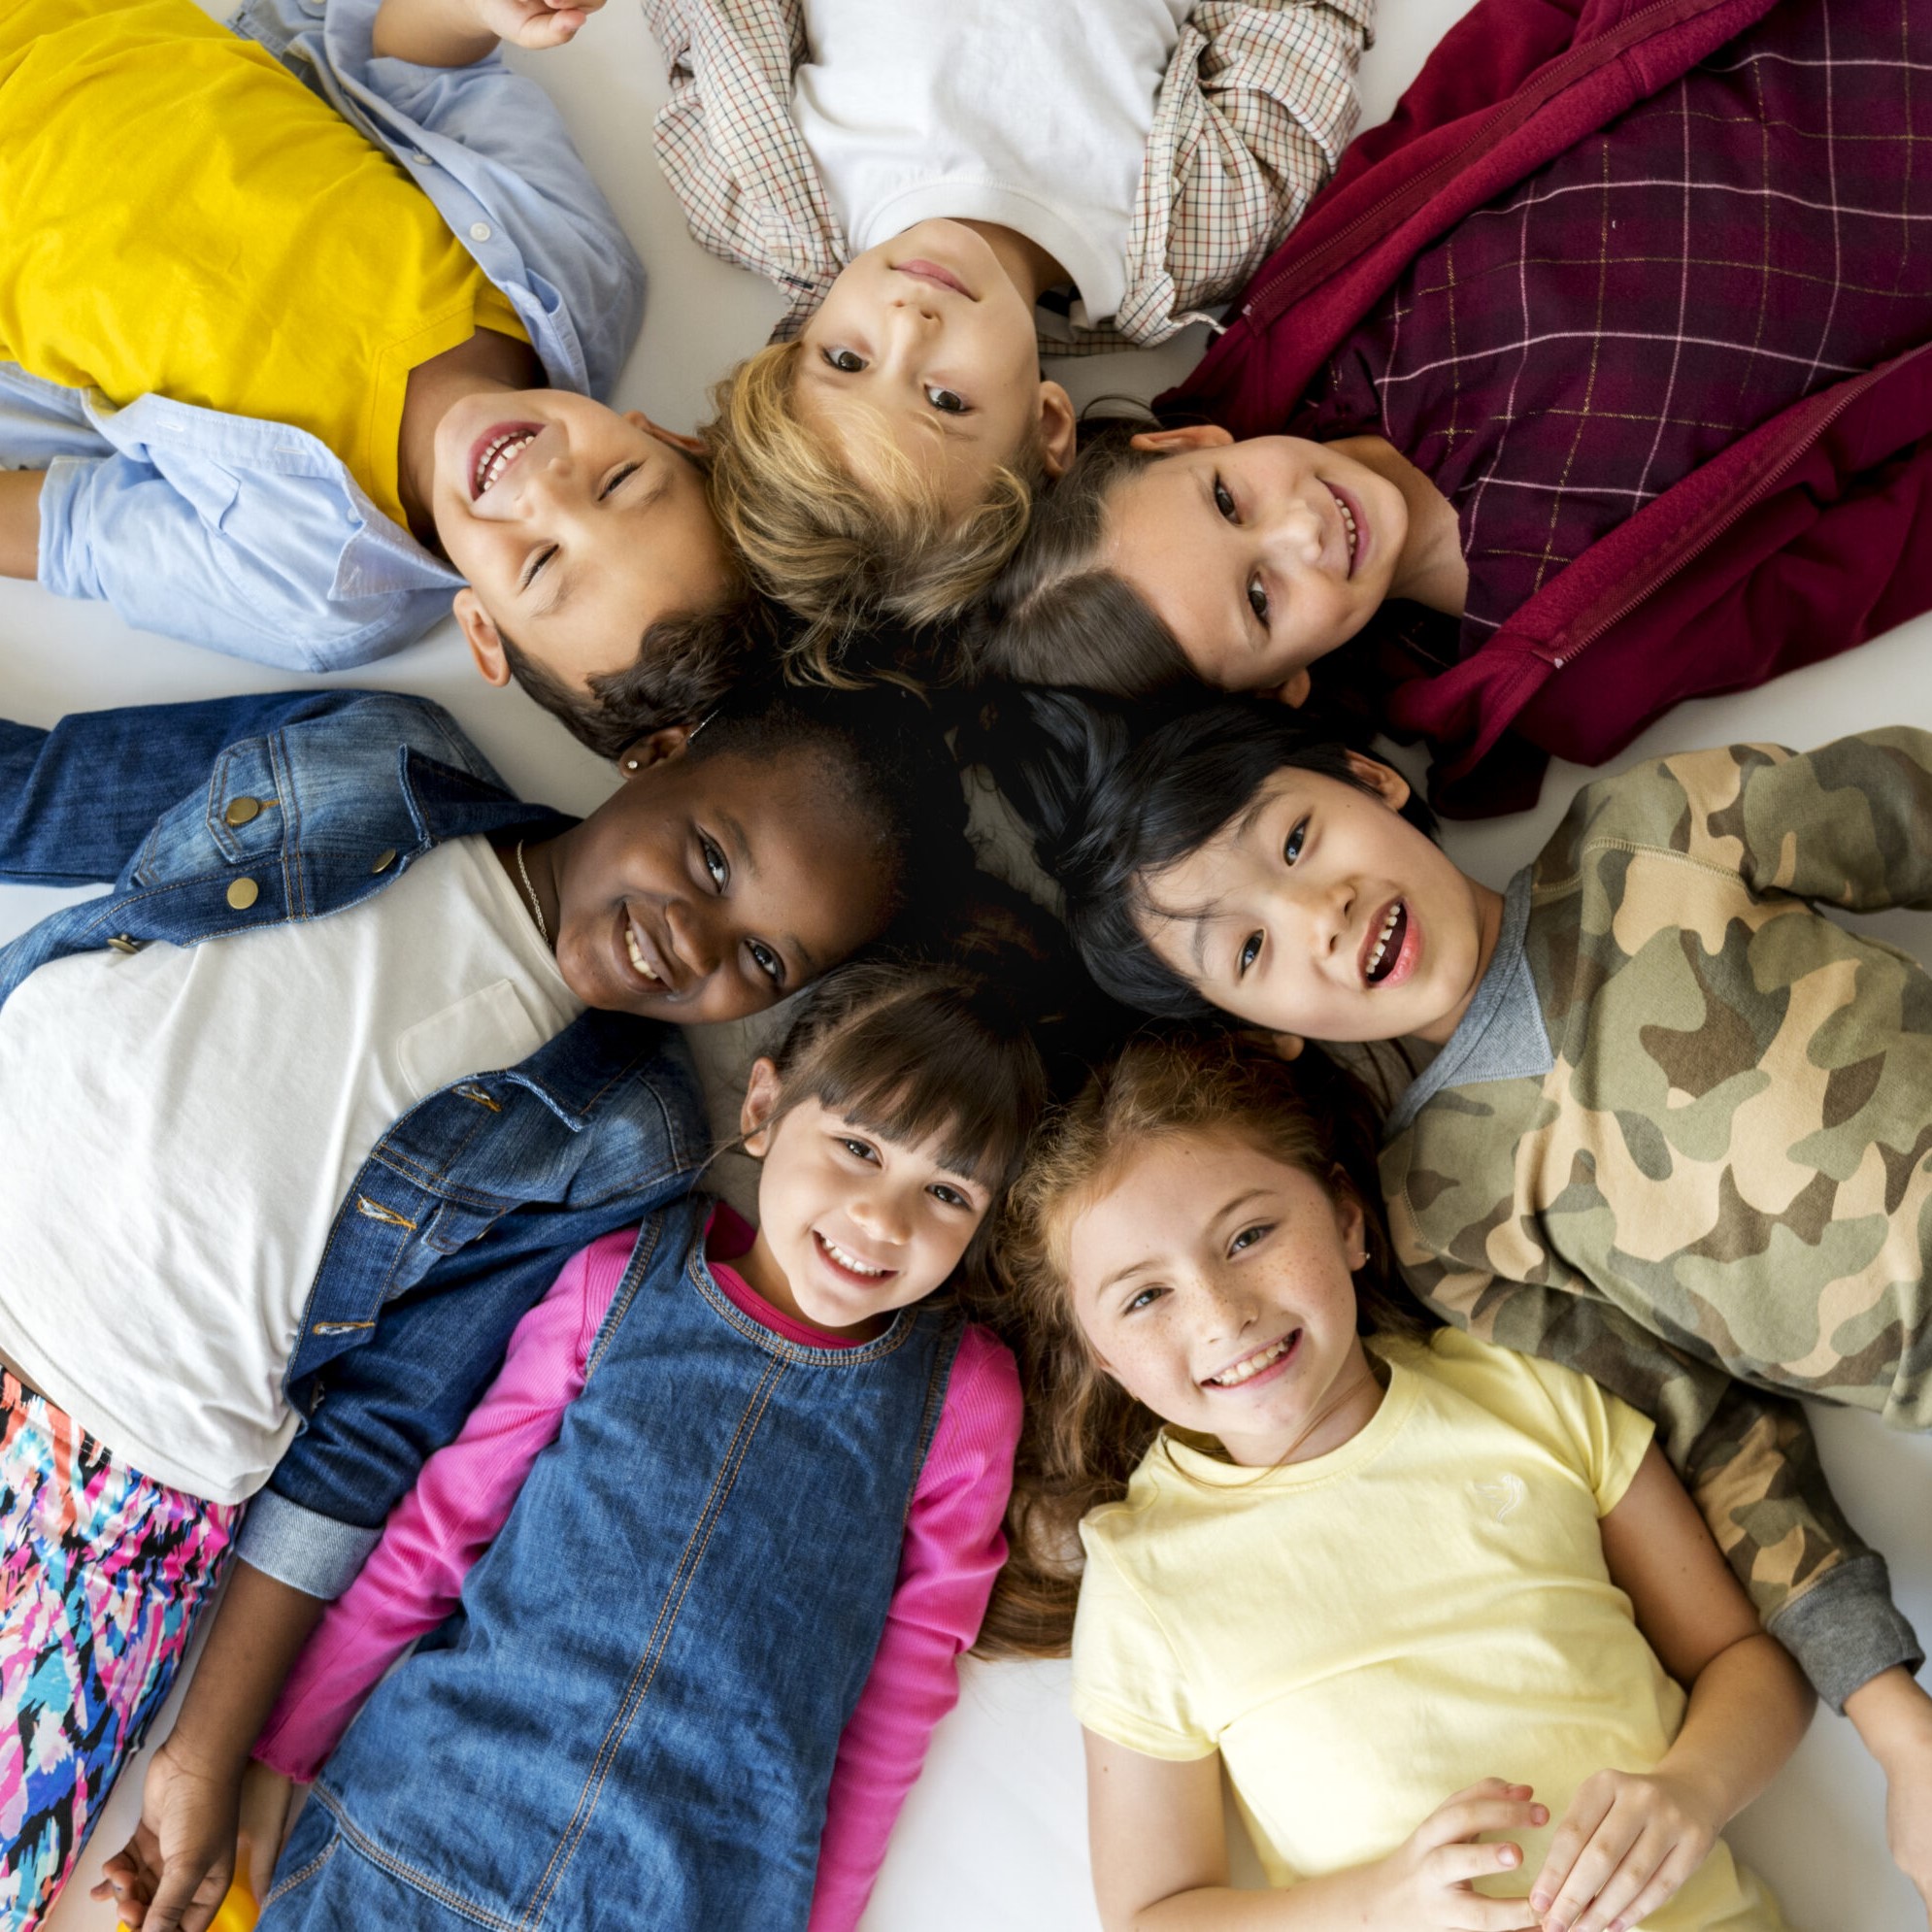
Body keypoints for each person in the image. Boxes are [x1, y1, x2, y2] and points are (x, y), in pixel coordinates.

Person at [0, 674, 973, 1931]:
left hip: (107, 1498)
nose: (697, 941)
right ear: (657, 751)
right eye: (712, 857)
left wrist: (204, 1750)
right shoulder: (376, 753)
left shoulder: (622, 1134)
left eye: (762, 958)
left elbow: (374, 1436)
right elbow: (44, 799)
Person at [977, 683, 1932, 1913]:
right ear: (1257, 1031)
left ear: (1371, 778)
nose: (1314, 914)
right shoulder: (1449, 1216)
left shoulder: (1653, 829)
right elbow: (1717, 1438)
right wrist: (1897, 1725)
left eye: (1295, 840)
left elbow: (1910, 808)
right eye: (1250, 951)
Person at [158, 952, 1055, 1932]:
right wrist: (278, 1756)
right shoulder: (616, 1279)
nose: (882, 1219)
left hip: (691, 1895)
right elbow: (437, 1533)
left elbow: (901, 1696)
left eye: (947, 1194)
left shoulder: (961, 1399)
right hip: (420, 1830)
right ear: (763, 1108)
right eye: (858, 1147)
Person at [973, 0, 1932, 814]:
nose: (1300, 530)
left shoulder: (1322, 320)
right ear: (1280, 687)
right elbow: (1871, 556)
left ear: (1188, 442)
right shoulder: (1573, 673)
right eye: (1260, 599)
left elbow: (1485, 77)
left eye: (1228, 500)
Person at [999, 1028, 1809, 1929]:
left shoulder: (1530, 1396)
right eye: (1146, 1297)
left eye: (1249, 1236)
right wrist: (1377, 1906)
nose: (1223, 1315)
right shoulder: (1144, 1575)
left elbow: (1747, 1663)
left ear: (1346, 1220)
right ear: (1104, 1357)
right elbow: (1153, 1916)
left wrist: (1694, 1789)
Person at [0, 0, 756, 751]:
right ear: (662, 436)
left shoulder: (313, 593)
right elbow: (419, 68)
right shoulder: (581, 271)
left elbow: (68, 533)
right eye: (618, 482)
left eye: (539, 563)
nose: (543, 486)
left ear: (483, 628)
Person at [644, 0, 1372, 661]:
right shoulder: (1198, 236)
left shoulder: (756, 196)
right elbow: (1298, 27)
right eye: (945, 402)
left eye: (845, 359)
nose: (909, 325)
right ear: (1047, 424)